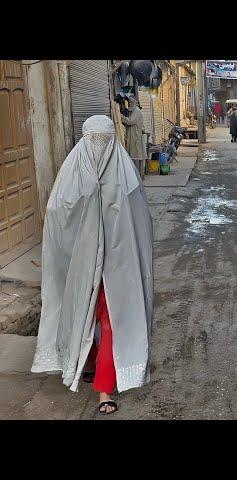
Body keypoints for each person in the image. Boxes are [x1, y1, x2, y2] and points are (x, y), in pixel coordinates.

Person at [31, 115, 154, 415]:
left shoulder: (127, 179)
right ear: (85, 139)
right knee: (84, 317)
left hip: (118, 270)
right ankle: (86, 362)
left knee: (112, 323)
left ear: (113, 139)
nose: (99, 147)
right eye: (94, 140)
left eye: (105, 140)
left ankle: (103, 389)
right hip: (81, 268)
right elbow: (58, 222)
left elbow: (140, 228)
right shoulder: (70, 179)